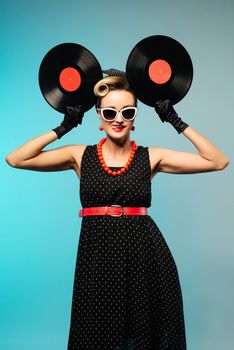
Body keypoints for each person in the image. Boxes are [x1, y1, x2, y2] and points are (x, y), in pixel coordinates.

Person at [5, 69, 229, 350]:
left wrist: (175, 120)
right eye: (109, 113)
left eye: (127, 112)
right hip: (97, 255)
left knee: (141, 333)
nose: (118, 119)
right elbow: (15, 158)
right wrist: (63, 128)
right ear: (99, 117)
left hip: (143, 255)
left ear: (135, 118)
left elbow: (217, 160)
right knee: (97, 331)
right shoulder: (79, 155)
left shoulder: (152, 157)